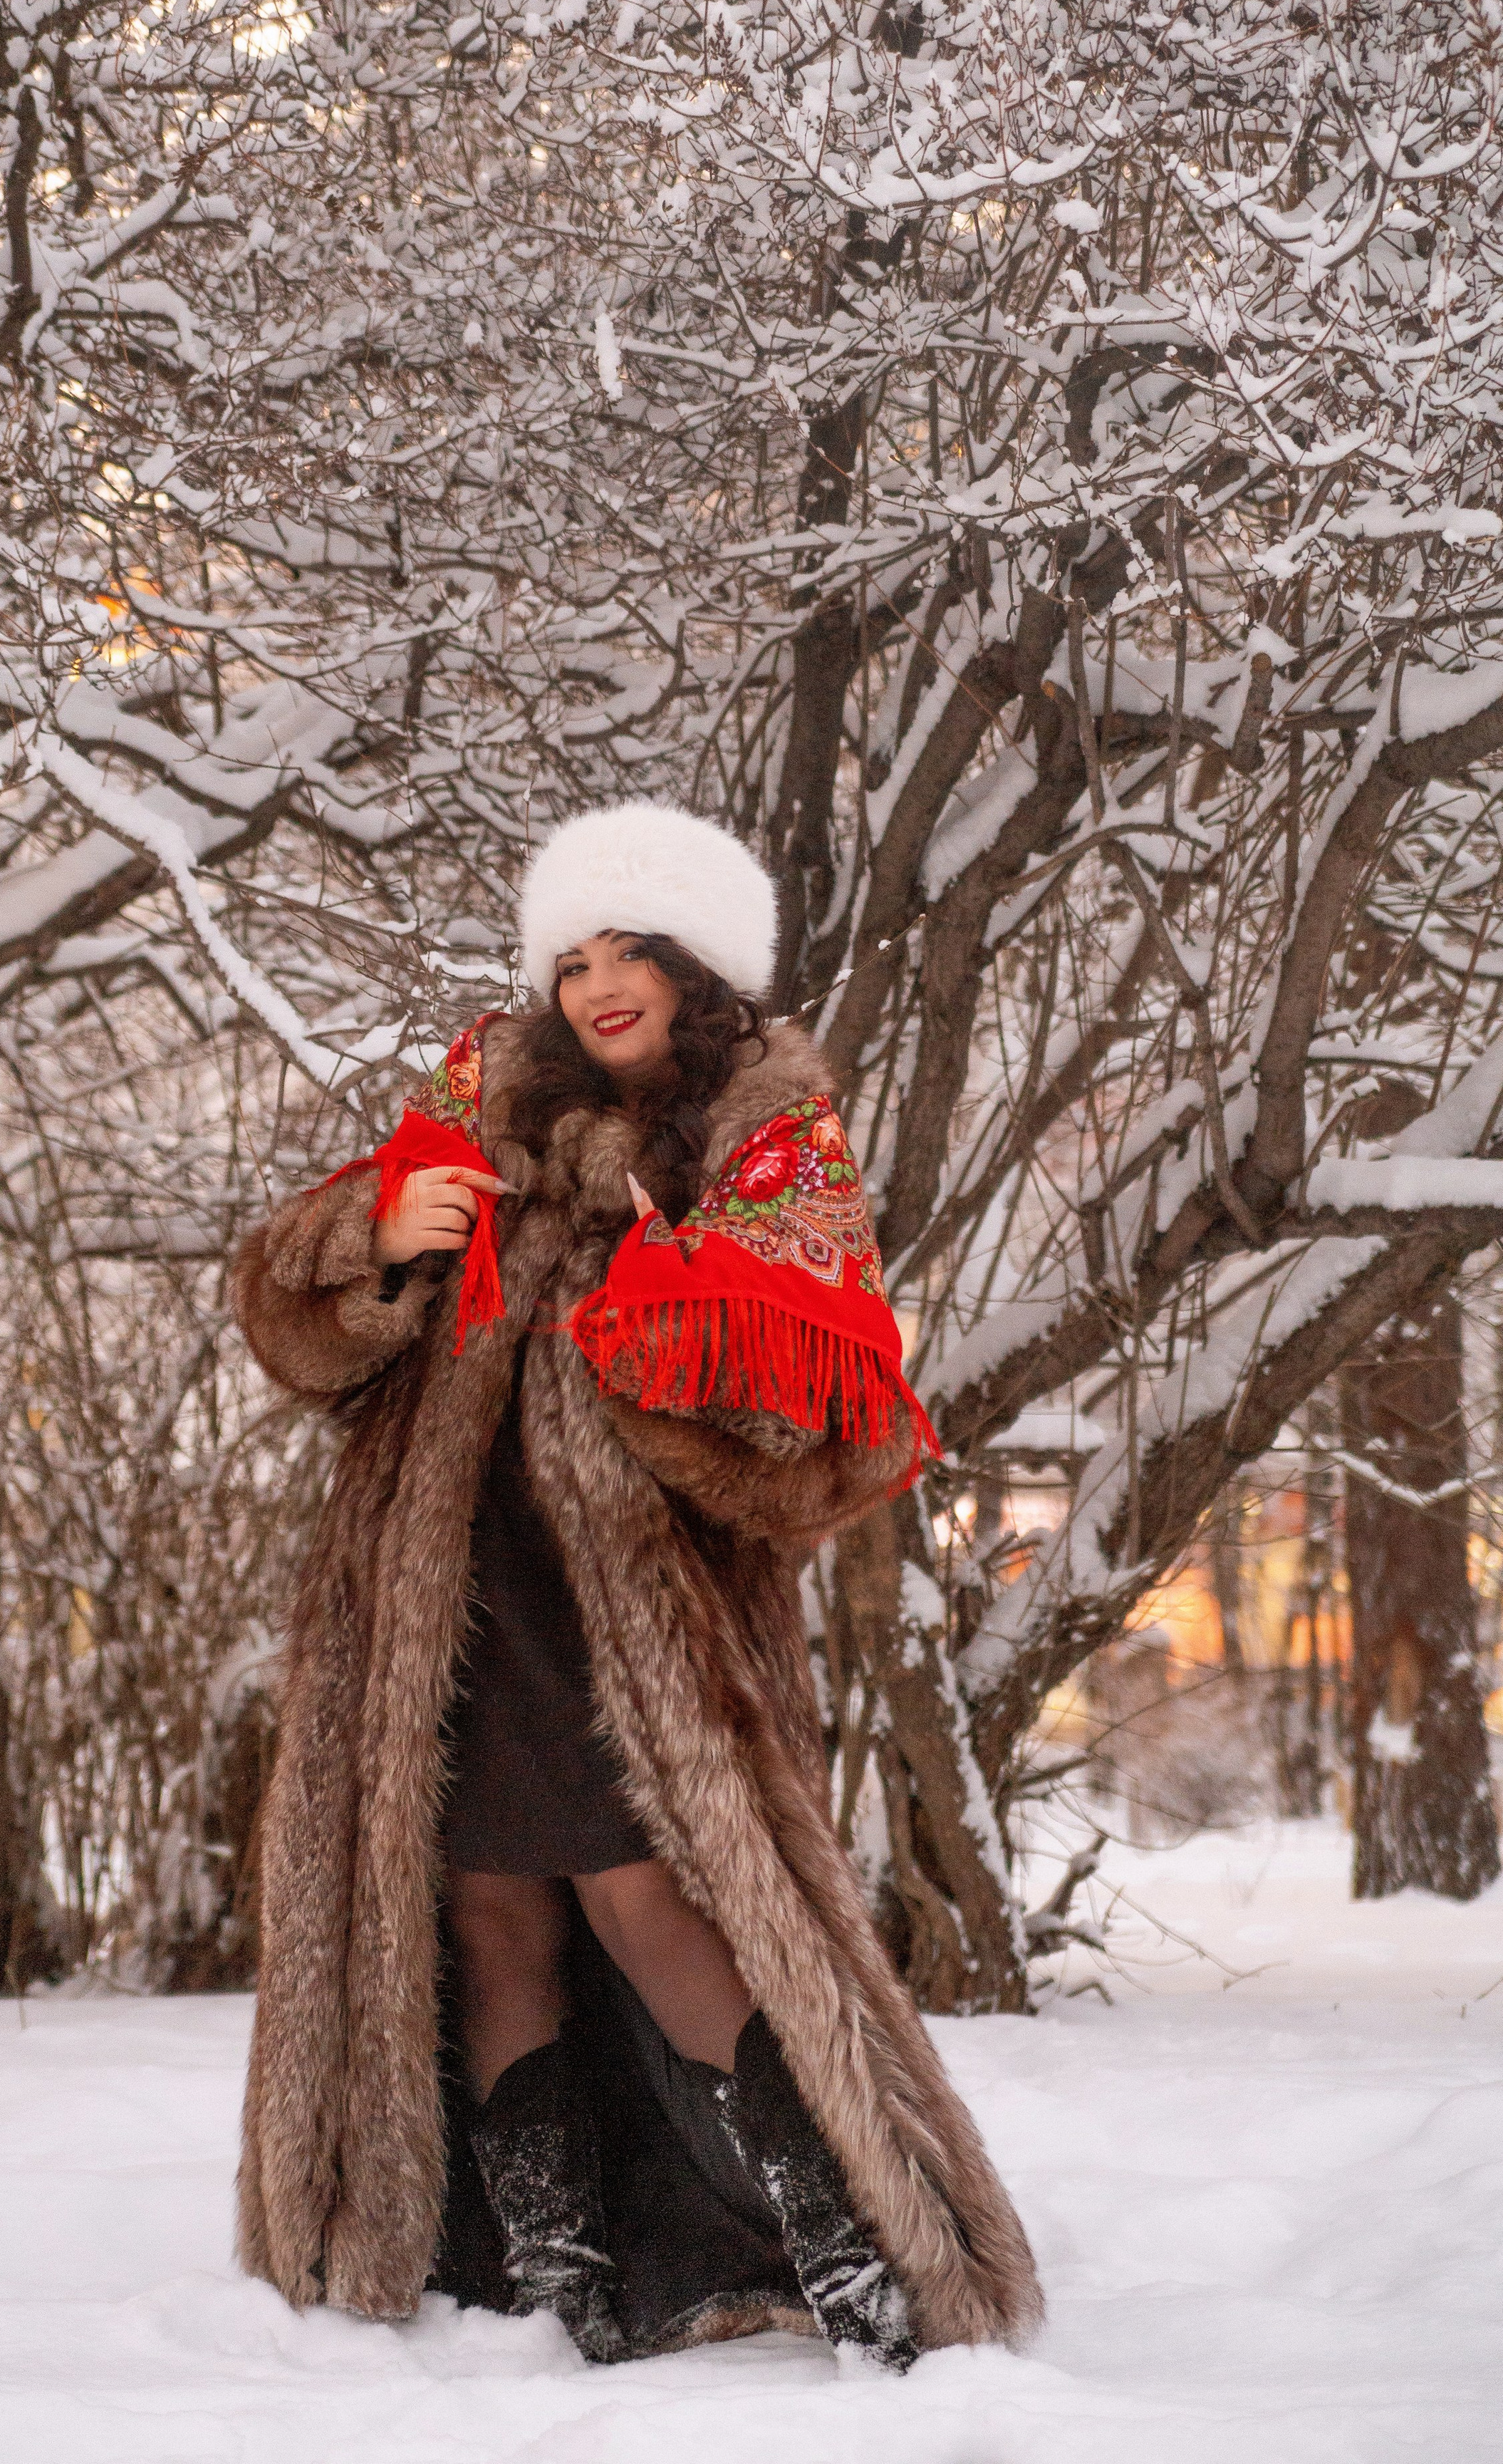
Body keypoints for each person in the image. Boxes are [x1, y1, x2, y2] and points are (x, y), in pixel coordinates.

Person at [232, 801, 1041, 2366]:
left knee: (651, 1894)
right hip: (439, 1591)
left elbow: (822, 1438)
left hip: (639, 1619)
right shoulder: (478, 1107)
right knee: (478, 1905)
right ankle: (553, 2260)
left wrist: (671, 1327)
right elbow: (294, 1324)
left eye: (634, 953)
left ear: (697, 969)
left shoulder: (763, 1140)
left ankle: (839, 2224)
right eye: (574, 958)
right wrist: (375, 1237)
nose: (600, 984)